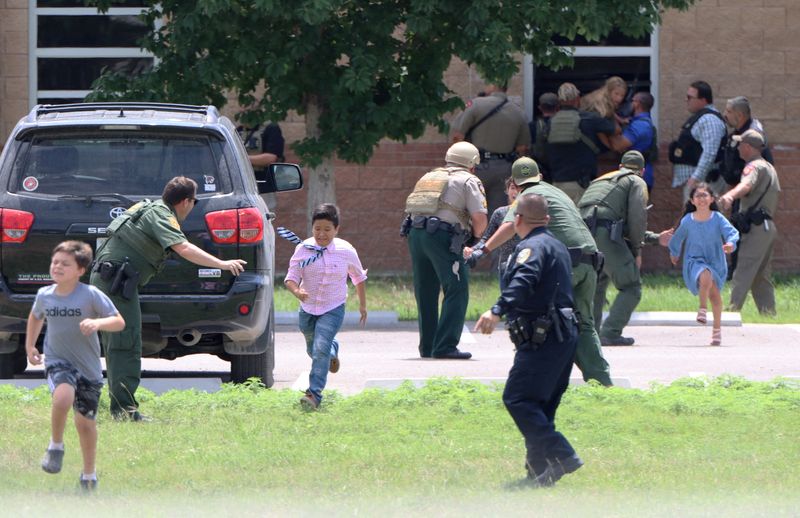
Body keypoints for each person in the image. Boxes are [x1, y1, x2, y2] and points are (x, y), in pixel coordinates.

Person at [90, 176, 247, 421]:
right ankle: (123, 411)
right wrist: (222, 264)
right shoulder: (162, 215)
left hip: (108, 280)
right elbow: (183, 248)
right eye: (194, 202)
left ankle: (113, 406)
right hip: (114, 285)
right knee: (126, 344)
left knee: (117, 345)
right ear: (186, 201)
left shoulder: (146, 207)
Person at [469, 157, 612, 386]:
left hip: (565, 266)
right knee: (583, 325)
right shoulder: (557, 193)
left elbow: (508, 226)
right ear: (540, 177)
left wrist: (481, 250)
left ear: (515, 184)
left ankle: (535, 382)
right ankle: (602, 383)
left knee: (538, 319)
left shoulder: (528, 196)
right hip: (590, 262)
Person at [474, 193, 582, 488]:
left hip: (542, 336)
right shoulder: (556, 245)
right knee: (540, 406)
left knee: (518, 398)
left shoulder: (530, 248)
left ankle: (563, 454)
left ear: (517, 219)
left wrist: (497, 310)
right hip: (563, 334)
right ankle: (538, 473)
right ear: (546, 220)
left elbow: (524, 280)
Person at [25, 241, 125, 491]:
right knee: (62, 397)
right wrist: (30, 346)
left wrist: (97, 323)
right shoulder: (45, 295)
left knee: (85, 424)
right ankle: (55, 446)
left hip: (88, 369)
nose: (57, 267)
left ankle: (88, 476)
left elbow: (119, 321)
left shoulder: (91, 294)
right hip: (58, 360)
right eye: (55, 262)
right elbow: (36, 316)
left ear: (80, 270)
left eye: (65, 264)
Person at [402, 142, 488, 359]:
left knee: (426, 291)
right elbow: (479, 218)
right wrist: (477, 240)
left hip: (415, 234)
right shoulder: (469, 179)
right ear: (471, 164)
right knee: (457, 288)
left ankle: (429, 346)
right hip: (442, 237)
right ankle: (446, 346)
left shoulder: (429, 176)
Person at [284, 204, 368, 410]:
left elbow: (358, 277)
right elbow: (290, 278)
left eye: (327, 229)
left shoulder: (346, 251)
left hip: (333, 307)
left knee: (320, 347)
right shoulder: (302, 249)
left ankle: (314, 395)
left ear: (336, 229)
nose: (321, 234)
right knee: (313, 348)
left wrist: (363, 306)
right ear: (312, 228)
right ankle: (333, 350)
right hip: (308, 308)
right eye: (317, 229)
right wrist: (297, 292)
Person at [577, 151, 648, 346]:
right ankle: (610, 332)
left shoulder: (602, 180)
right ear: (642, 170)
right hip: (605, 234)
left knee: (598, 283)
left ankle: (589, 333)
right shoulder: (636, 181)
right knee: (631, 286)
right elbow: (637, 217)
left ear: (620, 166)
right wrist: (637, 250)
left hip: (583, 233)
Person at [718, 129, 781, 316]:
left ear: (747, 146)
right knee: (760, 276)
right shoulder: (769, 167)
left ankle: (730, 313)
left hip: (756, 228)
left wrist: (729, 195)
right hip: (767, 228)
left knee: (743, 270)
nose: (737, 148)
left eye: (740, 144)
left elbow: (746, 185)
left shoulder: (753, 167)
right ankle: (769, 314)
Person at [668, 183, 739, 346]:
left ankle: (716, 331)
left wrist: (730, 244)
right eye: (697, 196)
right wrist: (674, 253)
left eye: (704, 195)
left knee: (715, 296)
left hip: (716, 260)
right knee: (705, 274)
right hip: (694, 260)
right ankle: (702, 309)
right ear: (692, 201)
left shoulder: (718, 218)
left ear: (712, 199)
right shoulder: (687, 221)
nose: (701, 198)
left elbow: (731, 233)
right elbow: (677, 238)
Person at [452, 82, 530, 215]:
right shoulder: (518, 112)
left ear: (493, 85)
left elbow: (457, 136)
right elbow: (522, 148)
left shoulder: (476, 105)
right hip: (504, 169)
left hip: (476, 166)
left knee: (470, 213)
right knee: (498, 214)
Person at [719, 96, 775, 279]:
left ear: (740, 114)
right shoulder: (737, 132)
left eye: (728, 112)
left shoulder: (753, 135)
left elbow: (761, 167)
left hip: (750, 193)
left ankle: (744, 274)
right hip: (738, 189)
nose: (725, 115)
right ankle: (735, 271)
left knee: (746, 233)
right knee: (736, 230)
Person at [545, 82, 617, 204]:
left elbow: (543, 150)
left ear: (559, 101)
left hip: (556, 183)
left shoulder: (551, 122)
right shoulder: (589, 119)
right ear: (577, 99)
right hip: (581, 184)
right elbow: (614, 129)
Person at [669, 80, 727, 202]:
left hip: (704, 184)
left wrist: (696, 178)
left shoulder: (710, 120)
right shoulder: (702, 117)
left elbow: (710, 152)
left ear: (703, 100)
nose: (686, 100)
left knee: (701, 219)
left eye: (690, 97)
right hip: (698, 184)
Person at [468, 177, 520, 289]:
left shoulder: (532, 213)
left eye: (520, 188)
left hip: (525, 264)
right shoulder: (500, 213)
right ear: (507, 190)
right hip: (505, 266)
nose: (516, 192)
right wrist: (472, 251)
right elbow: (485, 239)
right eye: (513, 188)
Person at [609, 91, 657, 192]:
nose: (630, 104)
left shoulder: (640, 125)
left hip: (637, 177)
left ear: (637, 103)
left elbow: (618, 145)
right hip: (635, 176)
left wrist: (609, 121)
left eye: (632, 101)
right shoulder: (636, 122)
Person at [529, 92, 559, 176]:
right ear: (558, 107)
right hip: (560, 168)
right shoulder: (562, 124)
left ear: (540, 107)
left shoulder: (533, 125)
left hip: (539, 169)